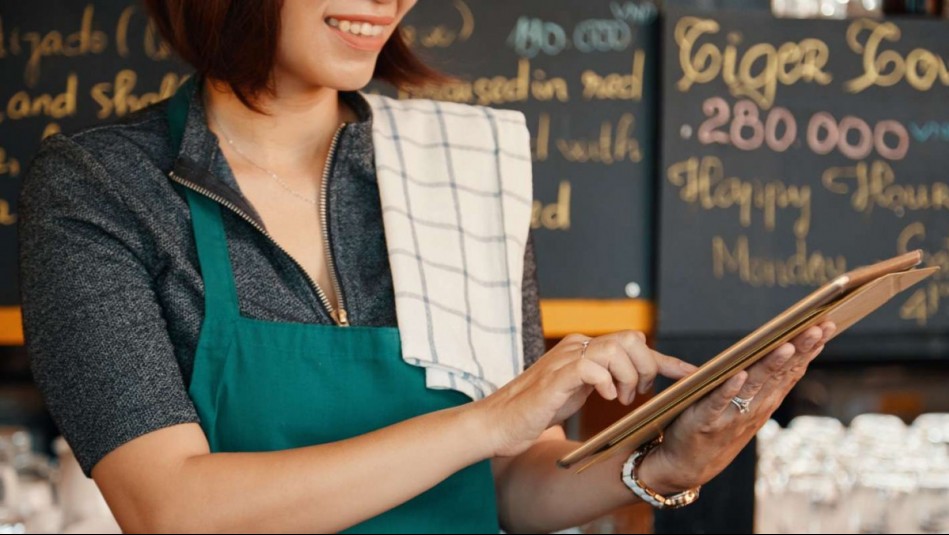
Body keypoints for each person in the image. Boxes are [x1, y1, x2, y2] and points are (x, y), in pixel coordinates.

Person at [18, 0, 835, 533]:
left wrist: (662, 463)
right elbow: (169, 507)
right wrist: (484, 420)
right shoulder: (102, 189)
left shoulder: (461, 168)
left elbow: (512, 483)